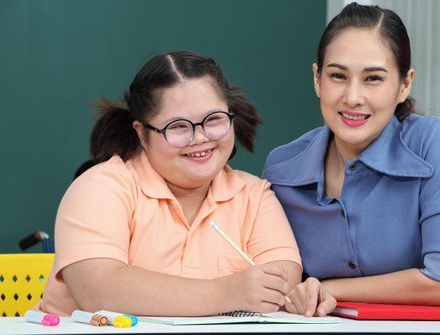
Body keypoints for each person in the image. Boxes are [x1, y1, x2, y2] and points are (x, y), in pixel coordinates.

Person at [39, 51, 302, 316]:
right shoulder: (100, 188)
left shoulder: (254, 197)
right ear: (142, 134)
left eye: (213, 120)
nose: (199, 138)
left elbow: (282, 282)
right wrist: (230, 291)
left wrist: (297, 295)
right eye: (178, 127)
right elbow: (98, 290)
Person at [263, 3, 440, 317]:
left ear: (404, 84)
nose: (352, 97)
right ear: (317, 79)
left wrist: (329, 288)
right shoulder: (282, 168)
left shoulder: (433, 143)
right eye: (338, 76)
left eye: (373, 79)